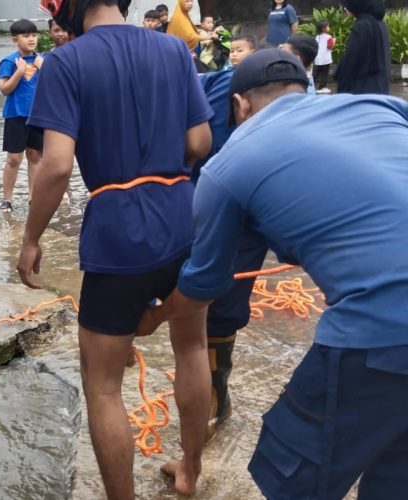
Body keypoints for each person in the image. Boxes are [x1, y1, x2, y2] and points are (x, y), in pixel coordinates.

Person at [138, 48, 408, 499]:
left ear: (239, 104)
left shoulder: (228, 165)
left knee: (294, 470)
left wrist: (154, 317)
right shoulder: (375, 105)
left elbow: (202, 287)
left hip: (380, 327)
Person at [19, 0, 214, 496]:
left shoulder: (66, 61)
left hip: (118, 232)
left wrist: (31, 238)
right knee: (192, 346)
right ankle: (190, 471)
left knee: (103, 384)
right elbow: (200, 143)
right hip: (182, 218)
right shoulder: (174, 49)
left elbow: (57, 165)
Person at [193, 35, 262, 441]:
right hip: (200, 195)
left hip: (248, 212)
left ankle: (216, 394)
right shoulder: (208, 88)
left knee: (223, 304)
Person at [0, 19, 43, 214]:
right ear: (15, 39)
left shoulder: (43, 61)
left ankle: (34, 197)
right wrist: (20, 72)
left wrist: (44, 68)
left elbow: (55, 86)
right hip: (16, 115)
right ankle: (7, 199)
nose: (31, 39)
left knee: (35, 156)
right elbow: (4, 89)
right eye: (26, 36)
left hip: (39, 116)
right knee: (14, 158)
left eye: (33, 35)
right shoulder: (9, 62)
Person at [335, 0, 390, 95]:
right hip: (380, 88)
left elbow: (351, 60)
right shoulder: (381, 24)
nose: (346, 8)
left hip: (362, 91)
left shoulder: (362, 26)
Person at [313, 20, 333, 94]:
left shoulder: (317, 37)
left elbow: (316, 46)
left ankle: (311, 86)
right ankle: (321, 87)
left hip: (318, 59)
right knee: (324, 74)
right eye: (328, 26)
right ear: (323, 29)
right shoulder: (329, 37)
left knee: (315, 74)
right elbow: (329, 47)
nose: (329, 27)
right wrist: (334, 41)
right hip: (326, 59)